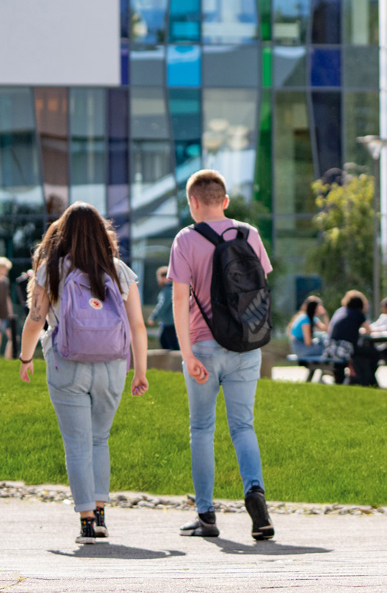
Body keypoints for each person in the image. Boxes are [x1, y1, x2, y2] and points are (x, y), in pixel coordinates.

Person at [15, 203, 148, 546]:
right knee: (99, 439)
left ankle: (87, 521)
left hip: (67, 363)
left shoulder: (51, 270)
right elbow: (137, 325)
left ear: (63, 233)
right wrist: (140, 371)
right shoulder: (119, 270)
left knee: (77, 444)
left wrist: (26, 357)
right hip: (113, 365)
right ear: (103, 233)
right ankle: (101, 514)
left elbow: (35, 320)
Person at [170, 169, 275, 541]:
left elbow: (179, 300)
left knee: (202, 429)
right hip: (247, 347)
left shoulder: (186, 239)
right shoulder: (250, 234)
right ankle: (256, 496)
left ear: (192, 202)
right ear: (226, 201)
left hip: (203, 347)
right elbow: (261, 286)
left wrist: (187, 354)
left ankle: (206, 515)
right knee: (243, 426)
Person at [328, 291, 373, 385]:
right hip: (346, 348)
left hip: (332, 347)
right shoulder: (358, 314)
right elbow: (369, 331)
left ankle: (353, 378)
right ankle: (368, 380)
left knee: (361, 354)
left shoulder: (340, 311)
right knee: (374, 353)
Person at [288, 295, 329, 360]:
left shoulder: (312, 318)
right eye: (319, 307)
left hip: (305, 347)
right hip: (301, 348)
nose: (321, 308)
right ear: (314, 308)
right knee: (326, 349)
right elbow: (308, 342)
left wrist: (324, 315)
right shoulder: (305, 319)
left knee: (325, 338)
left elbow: (326, 330)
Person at [148, 265, 178, 351]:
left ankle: (176, 363)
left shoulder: (168, 291)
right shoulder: (169, 288)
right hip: (167, 322)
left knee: (171, 345)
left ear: (165, 277)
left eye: (159, 277)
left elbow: (162, 305)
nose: (158, 279)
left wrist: (153, 317)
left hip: (170, 322)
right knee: (164, 341)